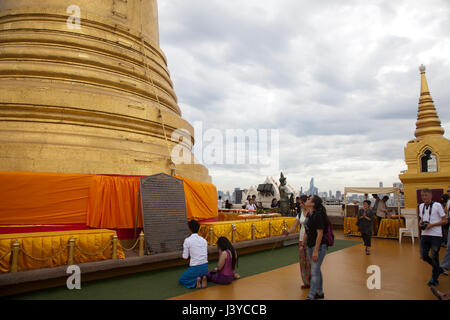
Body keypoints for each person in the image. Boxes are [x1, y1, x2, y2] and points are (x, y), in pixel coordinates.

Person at [418, 189, 448, 286]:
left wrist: (432, 225)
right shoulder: (421, 206)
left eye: (426, 195)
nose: (424, 197)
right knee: (424, 256)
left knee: (434, 256)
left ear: (431, 196)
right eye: (422, 195)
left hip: (436, 235)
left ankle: (434, 279)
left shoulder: (437, 205)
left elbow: (445, 221)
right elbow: (422, 218)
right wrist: (420, 223)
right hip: (425, 234)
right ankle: (438, 269)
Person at [303, 195, 330, 300]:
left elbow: (320, 233)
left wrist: (315, 251)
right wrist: (304, 244)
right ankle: (319, 292)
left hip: (318, 246)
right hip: (310, 245)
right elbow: (307, 230)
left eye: (309, 199)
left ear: (313, 204)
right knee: (316, 269)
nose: (307, 200)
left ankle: (311, 294)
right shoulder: (310, 214)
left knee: (314, 271)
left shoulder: (318, 215)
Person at [283, 195, 311, 289]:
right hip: (301, 239)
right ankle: (306, 281)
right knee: (302, 262)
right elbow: (294, 226)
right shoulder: (299, 214)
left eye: (300, 203)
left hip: (310, 240)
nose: (299, 205)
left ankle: (312, 281)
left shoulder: (312, 213)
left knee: (309, 262)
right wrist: (288, 232)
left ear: (305, 203)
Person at [179, 220, 209, 289]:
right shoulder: (204, 240)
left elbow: (185, 257)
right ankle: (202, 279)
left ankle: (195, 283)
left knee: (182, 279)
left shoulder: (187, 240)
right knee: (199, 273)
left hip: (196, 267)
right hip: (205, 267)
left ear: (189, 229)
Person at [439, 187, 450, 276]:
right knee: (449, 247)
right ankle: (444, 266)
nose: (448, 192)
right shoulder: (449, 202)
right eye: (448, 191)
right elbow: (446, 213)